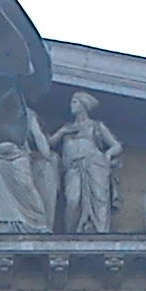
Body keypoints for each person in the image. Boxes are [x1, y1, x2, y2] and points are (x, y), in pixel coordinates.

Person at [49, 91, 123, 233]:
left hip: (95, 166)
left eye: (74, 102)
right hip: (73, 168)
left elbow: (116, 146)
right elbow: (50, 143)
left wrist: (107, 155)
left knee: (98, 200)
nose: (71, 105)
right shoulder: (67, 127)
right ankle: (71, 234)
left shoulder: (96, 126)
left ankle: (98, 231)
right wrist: (62, 132)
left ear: (83, 105)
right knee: (73, 200)